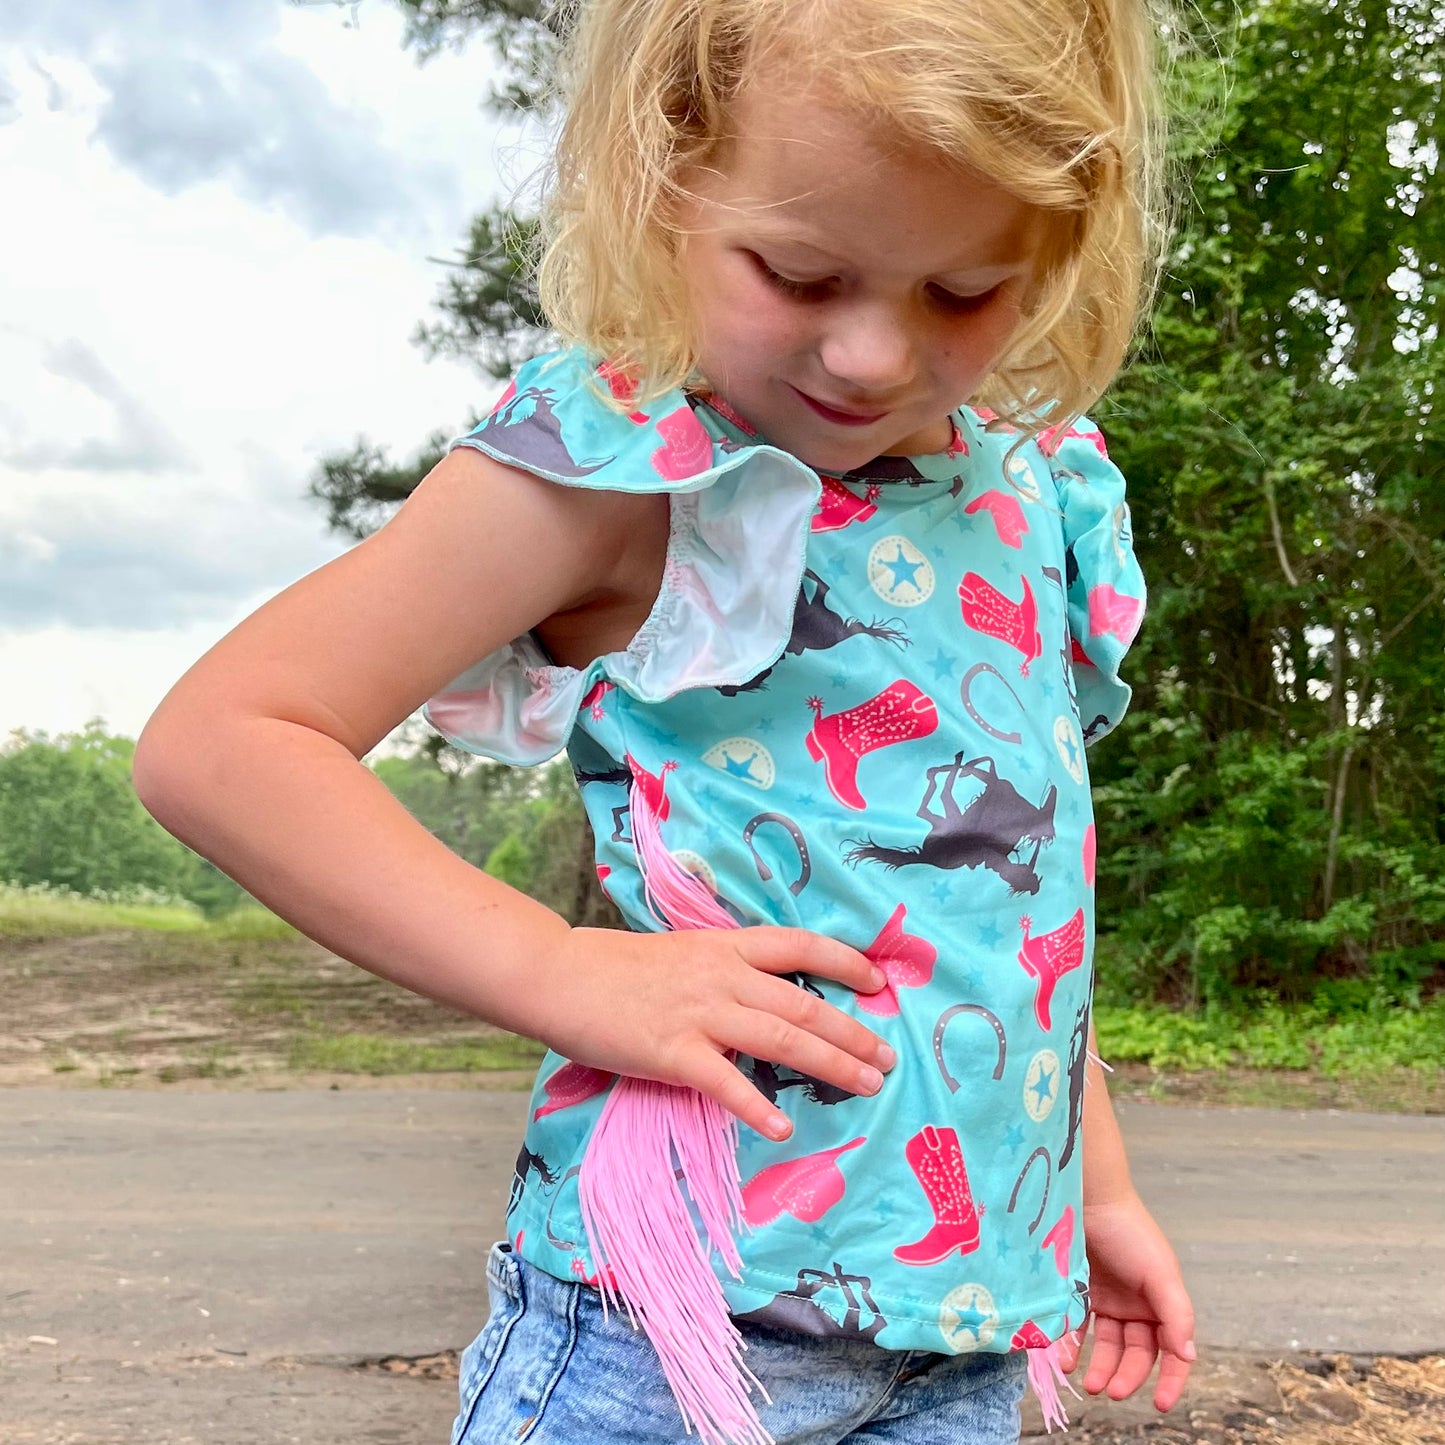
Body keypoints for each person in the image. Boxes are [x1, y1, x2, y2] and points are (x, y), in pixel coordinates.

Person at [134, 0, 1197, 1441]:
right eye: (800, 273)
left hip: (962, 1338)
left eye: (963, 290)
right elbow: (225, 740)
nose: (871, 355)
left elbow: (1007, 910)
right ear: (667, 174)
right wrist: (563, 968)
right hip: (666, 1328)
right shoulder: (637, 467)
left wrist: (1094, 1187)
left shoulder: (1034, 491)